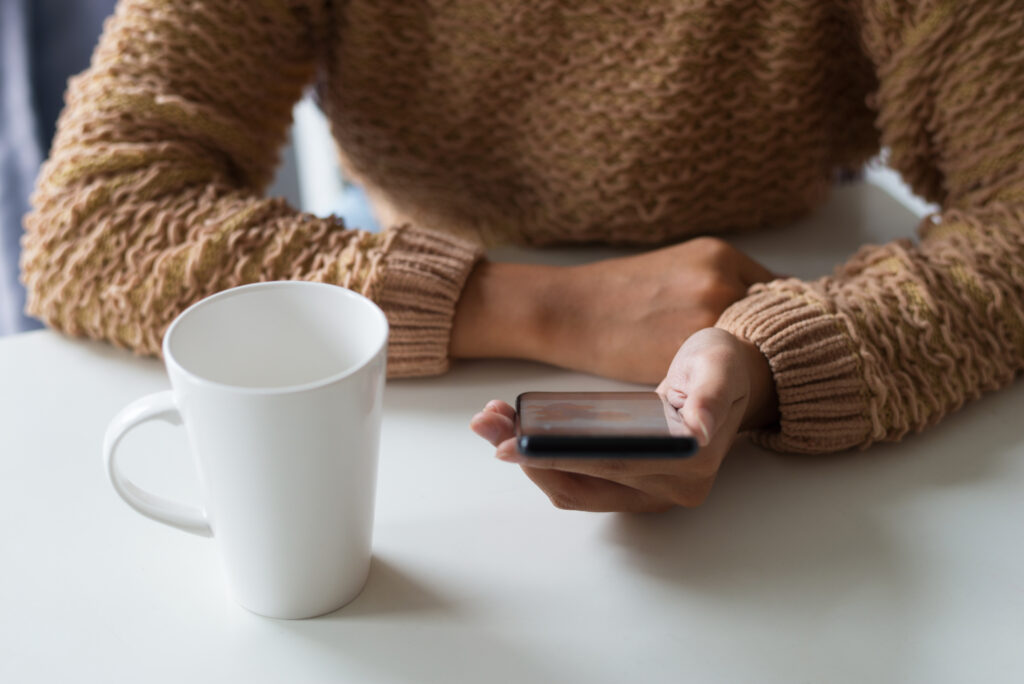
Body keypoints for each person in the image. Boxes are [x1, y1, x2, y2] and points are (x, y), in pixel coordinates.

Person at [22, 0, 1024, 512]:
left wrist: (779, 355)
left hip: (794, 329)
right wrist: (549, 312)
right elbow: (93, 216)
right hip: (417, 415)